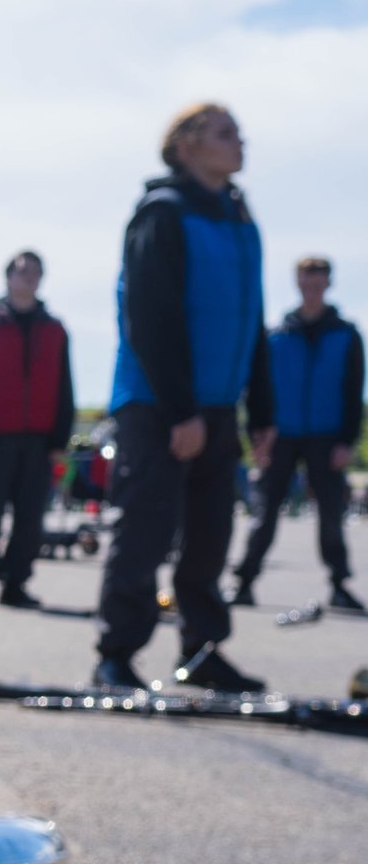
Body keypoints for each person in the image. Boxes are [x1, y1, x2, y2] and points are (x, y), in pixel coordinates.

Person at [96, 102, 273, 692]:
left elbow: (253, 319)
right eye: (226, 133)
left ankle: (200, 652)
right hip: (159, 405)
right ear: (188, 144)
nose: (239, 142)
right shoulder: (161, 213)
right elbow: (151, 317)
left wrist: (263, 413)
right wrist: (180, 410)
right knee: (145, 531)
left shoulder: (239, 219)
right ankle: (116, 654)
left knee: (209, 537)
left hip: (218, 407)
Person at [232, 256, 362, 611]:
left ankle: (339, 583)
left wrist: (346, 441)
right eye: (307, 282)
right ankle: (244, 581)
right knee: (265, 512)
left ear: (328, 284)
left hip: (326, 435)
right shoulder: (276, 336)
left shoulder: (346, 336)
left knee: (331, 514)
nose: (313, 289)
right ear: (298, 283)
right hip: (281, 433)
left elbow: (354, 393)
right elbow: (255, 389)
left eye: (319, 283)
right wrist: (257, 436)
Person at [0, 250, 75, 610]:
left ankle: (16, 583)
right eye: (22, 272)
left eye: (36, 273)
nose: (29, 278)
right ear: (7, 277)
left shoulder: (54, 330)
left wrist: (59, 439)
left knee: (30, 519)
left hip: (39, 441)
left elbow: (64, 387)